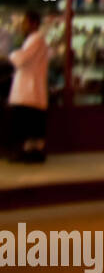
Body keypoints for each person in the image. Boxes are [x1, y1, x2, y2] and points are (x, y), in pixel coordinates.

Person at [8, 10, 49, 163]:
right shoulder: (32, 40)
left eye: (25, 22)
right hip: (28, 92)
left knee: (29, 125)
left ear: (34, 24)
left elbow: (21, 59)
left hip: (30, 92)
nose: (22, 26)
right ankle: (28, 153)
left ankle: (31, 154)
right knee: (29, 125)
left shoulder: (36, 40)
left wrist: (11, 55)